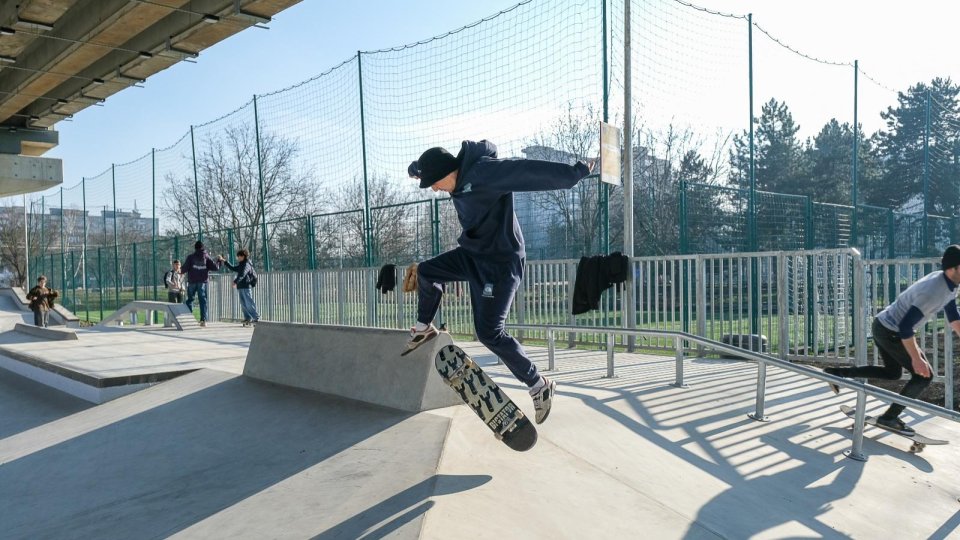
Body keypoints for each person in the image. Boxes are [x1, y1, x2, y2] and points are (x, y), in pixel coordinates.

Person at [405, 140, 594, 424]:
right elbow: (427, 167)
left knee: (489, 332)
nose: (434, 189)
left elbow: (526, 171)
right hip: (472, 255)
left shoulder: (484, 172)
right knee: (427, 272)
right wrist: (417, 171)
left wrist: (575, 173)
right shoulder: (449, 175)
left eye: (434, 182)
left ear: (449, 170)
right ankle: (424, 328)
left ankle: (539, 385)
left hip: (501, 264)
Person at [826, 244, 960, 433]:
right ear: (953, 268)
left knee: (892, 373)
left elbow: (954, 318)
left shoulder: (949, 285)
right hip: (892, 331)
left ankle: (837, 373)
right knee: (924, 376)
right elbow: (905, 328)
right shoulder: (935, 291)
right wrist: (916, 359)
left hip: (883, 325)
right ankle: (889, 418)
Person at [181, 241, 221, 327]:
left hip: (192, 281)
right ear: (203, 248)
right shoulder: (206, 257)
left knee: (190, 299)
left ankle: (188, 319)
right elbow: (215, 268)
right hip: (202, 282)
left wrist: (180, 270)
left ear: (195, 248)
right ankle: (203, 320)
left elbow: (184, 268)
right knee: (203, 301)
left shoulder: (190, 257)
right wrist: (219, 261)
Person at [218, 249, 260, 326]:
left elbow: (242, 274)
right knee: (243, 304)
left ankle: (256, 318)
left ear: (243, 256)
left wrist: (235, 281)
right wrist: (224, 261)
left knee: (248, 303)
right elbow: (233, 268)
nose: (238, 258)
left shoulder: (247, 264)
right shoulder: (241, 264)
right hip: (241, 286)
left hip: (246, 286)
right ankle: (247, 318)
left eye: (239, 256)